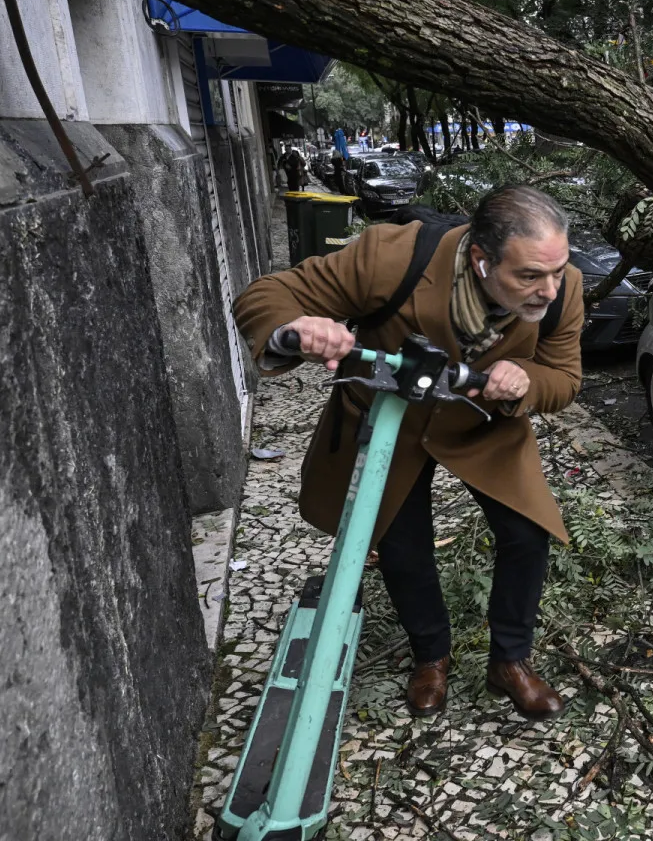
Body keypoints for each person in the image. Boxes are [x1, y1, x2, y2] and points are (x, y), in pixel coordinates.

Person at [232, 185, 583, 719]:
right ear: (481, 260)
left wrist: (525, 379)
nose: (550, 291)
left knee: (527, 534)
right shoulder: (392, 256)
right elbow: (266, 295)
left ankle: (510, 660)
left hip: (481, 424)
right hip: (388, 421)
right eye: (531, 276)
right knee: (401, 543)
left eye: (557, 272)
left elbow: (565, 377)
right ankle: (430, 656)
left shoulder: (563, 286)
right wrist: (296, 328)